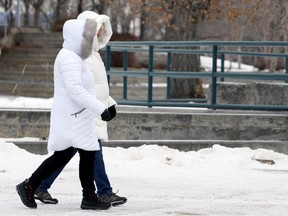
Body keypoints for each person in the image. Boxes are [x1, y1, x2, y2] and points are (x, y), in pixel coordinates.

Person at [16, 18, 114, 210]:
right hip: (72, 117)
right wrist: (100, 109)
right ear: (76, 37)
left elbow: (92, 87)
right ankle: (30, 185)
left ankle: (88, 197)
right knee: (65, 156)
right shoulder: (68, 58)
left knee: (87, 154)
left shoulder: (77, 57)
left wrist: (109, 104)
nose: (88, 40)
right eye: (85, 37)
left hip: (79, 116)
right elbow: (75, 90)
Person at [33, 11, 127, 207]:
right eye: (97, 30)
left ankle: (40, 185)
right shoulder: (80, 56)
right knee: (90, 153)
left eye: (102, 30)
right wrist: (101, 107)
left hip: (92, 109)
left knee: (71, 154)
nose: (100, 34)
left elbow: (97, 86)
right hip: (86, 111)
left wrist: (109, 103)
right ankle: (103, 192)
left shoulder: (93, 55)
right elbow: (80, 89)